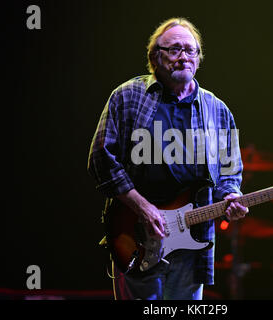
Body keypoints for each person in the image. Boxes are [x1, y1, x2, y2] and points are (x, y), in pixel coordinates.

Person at [87, 17, 248, 300]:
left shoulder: (217, 110)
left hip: (193, 239)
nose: (183, 57)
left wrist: (231, 195)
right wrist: (142, 207)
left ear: (199, 59)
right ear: (155, 56)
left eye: (190, 50)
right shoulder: (127, 96)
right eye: (174, 49)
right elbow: (101, 158)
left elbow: (230, 168)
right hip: (135, 233)